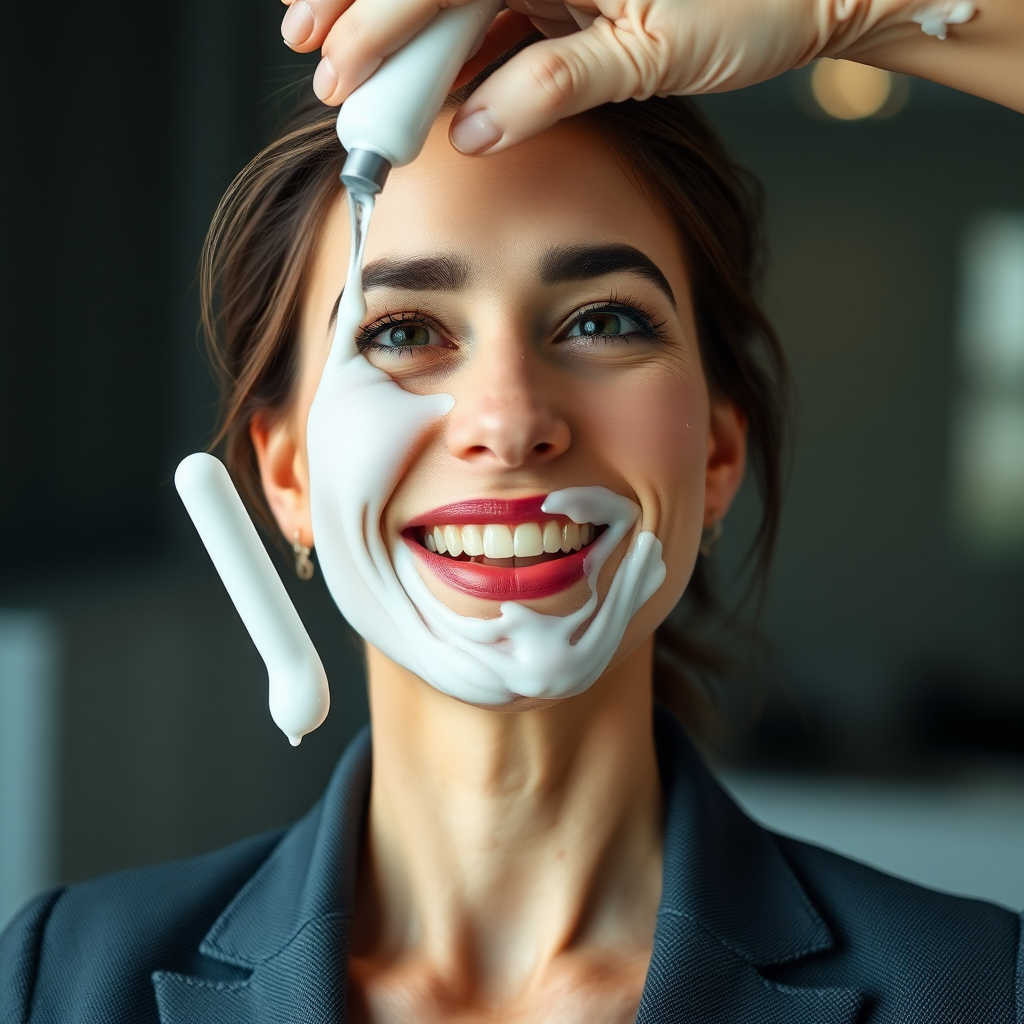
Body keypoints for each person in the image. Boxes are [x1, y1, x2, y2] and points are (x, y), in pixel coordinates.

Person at [2, 10, 1022, 1024]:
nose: (510, 420)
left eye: (603, 320)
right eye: (402, 330)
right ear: (288, 476)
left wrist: (853, 9)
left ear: (713, 454)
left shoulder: (977, 986)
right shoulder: (62, 982)